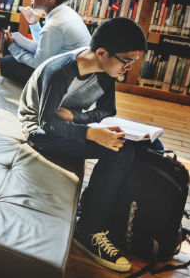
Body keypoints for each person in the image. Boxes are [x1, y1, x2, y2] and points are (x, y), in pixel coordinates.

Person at [18, 17, 155, 273]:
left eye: (133, 62)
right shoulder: (61, 71)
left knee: (139, 147)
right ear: (102, 53)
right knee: (119, 152)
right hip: (37, 130)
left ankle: (99, 212)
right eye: (127, 62)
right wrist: (91, 134)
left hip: (66, 123)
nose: (129, 69)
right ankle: (89, 230)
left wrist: (77, 118)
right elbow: (47, 124)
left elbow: (107, 109)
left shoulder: (106, 69)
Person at [1, 0, 91, 84]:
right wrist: (33, 23)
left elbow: (38, 64)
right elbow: (46, 45)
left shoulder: (54, 25)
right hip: (74, 72)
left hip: (63, 82)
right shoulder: (66, 11)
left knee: (7, 62)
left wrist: (13, 47)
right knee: (13, 55)